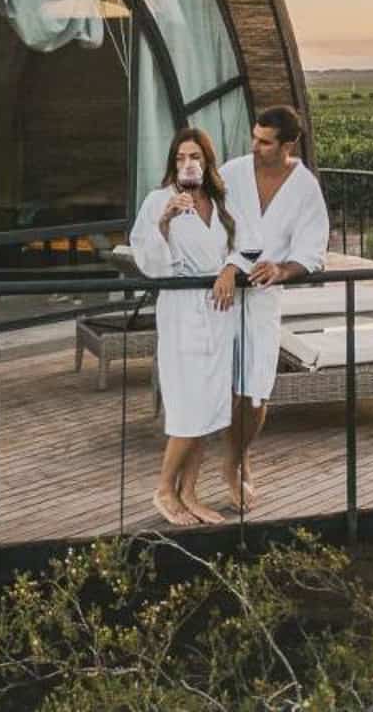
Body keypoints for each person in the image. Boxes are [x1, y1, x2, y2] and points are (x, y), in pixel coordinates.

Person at [209, 105, 330, 512]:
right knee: (225, 384)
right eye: (254, 138)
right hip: (220, 293)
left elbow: (312, 249)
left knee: (256, 390)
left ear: (289, 144)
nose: (255, 147)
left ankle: (239, 456)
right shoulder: (231, 173)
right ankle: (232, 462)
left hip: (262, 298)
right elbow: (207, 224)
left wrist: (281, 268)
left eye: (265, 142)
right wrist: (226, 265)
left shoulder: (304, 187)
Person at [128, 127, 238, 527]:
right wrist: (163, 223)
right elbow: (147, 260)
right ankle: (163, 489)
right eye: (179, 158)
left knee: (209, 406)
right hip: (182, 311)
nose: (187, 164)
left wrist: (229, 269)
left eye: (194, 157)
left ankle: (190, 492)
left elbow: (242, 245)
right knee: (189, 405)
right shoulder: (160, 200)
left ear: (207, 162)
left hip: (219, 313)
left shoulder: (221, 202)